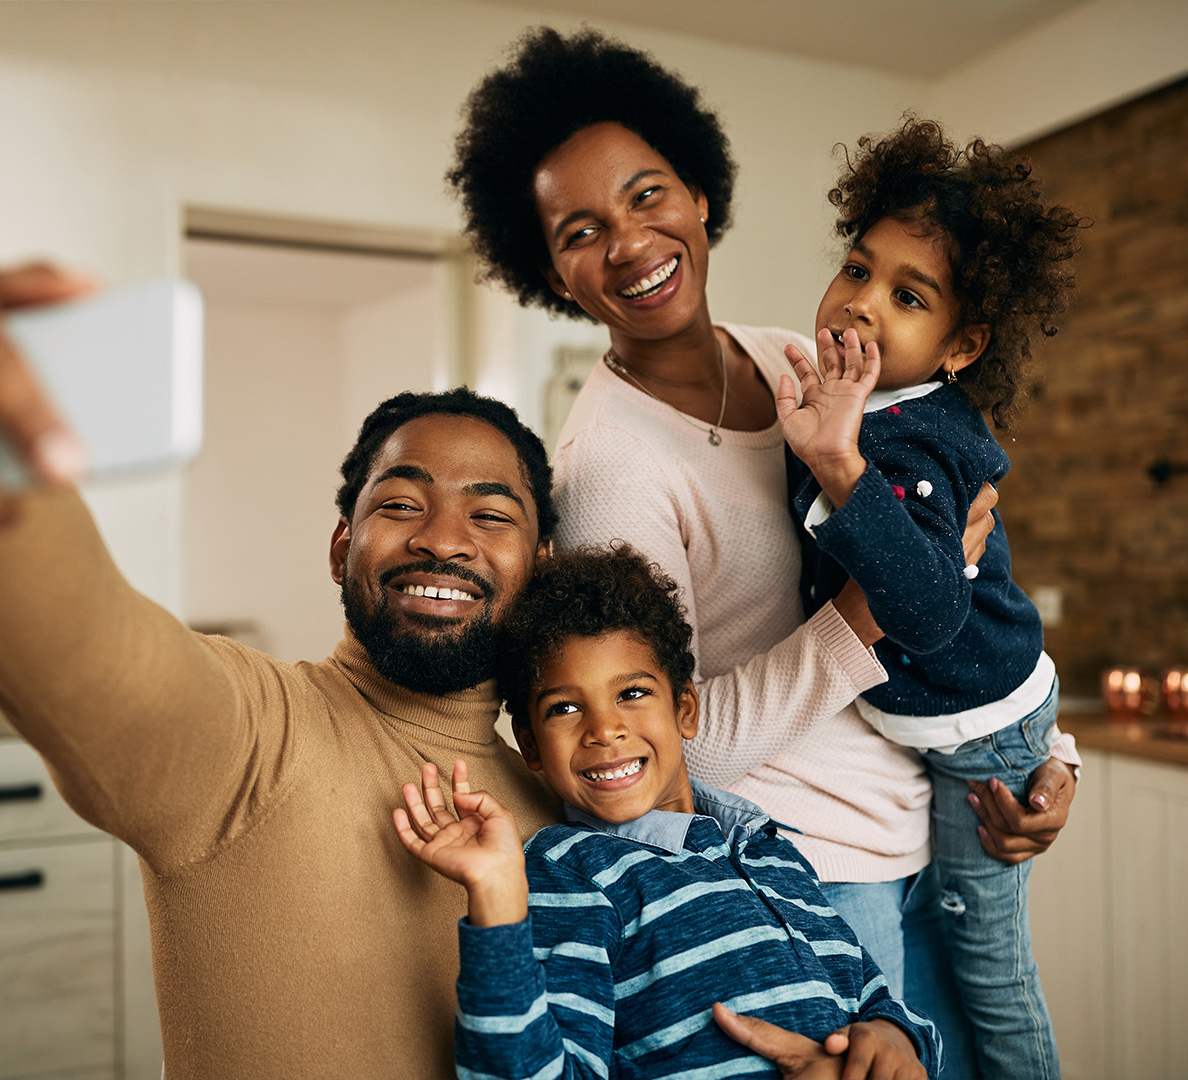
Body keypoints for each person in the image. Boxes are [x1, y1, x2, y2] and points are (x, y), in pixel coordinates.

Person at [447, 27, 1082, 1076]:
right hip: (810, 877)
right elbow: (670, 748)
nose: (630, 242)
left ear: (700, 193)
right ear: (550, 270)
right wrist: (872, 615)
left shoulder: (801, 361)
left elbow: (971, 570)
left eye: (649, 194)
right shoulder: (610, 467)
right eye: (579, 231)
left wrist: (1037, 761)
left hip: (934, 818)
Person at [0, 257, 574, 1077]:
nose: (442, 538)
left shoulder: (579, 812)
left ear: (542, 564)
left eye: (490, 513)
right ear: (341, 548)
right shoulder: (249, 741)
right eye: (400, 504)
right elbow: (79, 639)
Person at [774, 117, 1083, 1078]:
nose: (863, 304)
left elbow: (928, 611)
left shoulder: (904, 442)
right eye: (857, 270)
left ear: (962, 346)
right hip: (961, 723)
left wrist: (834, 464)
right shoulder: (863, 408)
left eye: (908, 296)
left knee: (991, 975)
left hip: (980, 736)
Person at [392, 545, 937, 1080]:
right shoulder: (573, 871)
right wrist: (495, 899)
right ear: (530, 746)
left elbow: (873, 997)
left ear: (685, 710)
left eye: (631, 693)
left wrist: (894, 1036)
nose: (604, 729)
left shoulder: (770, 848)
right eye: (565, 707)